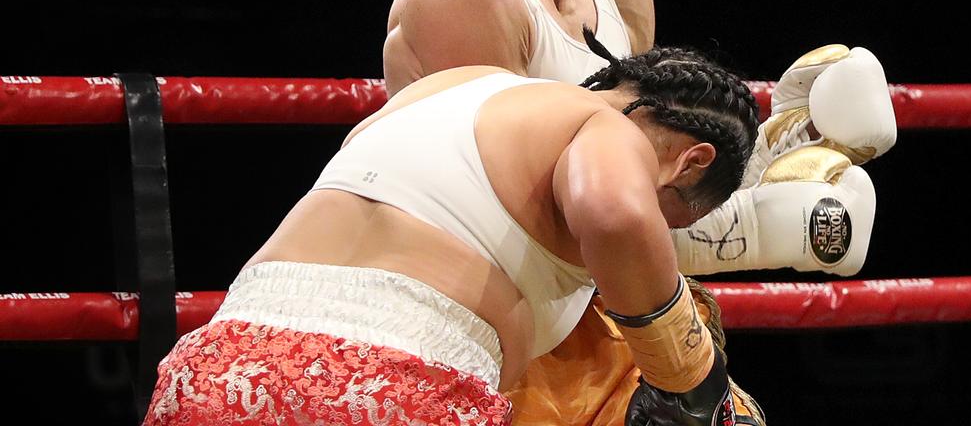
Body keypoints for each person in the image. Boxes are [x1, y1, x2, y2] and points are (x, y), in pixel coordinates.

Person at [385, 0, 897, 426]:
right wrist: (755, 229)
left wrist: (739, 165)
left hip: (585, 315)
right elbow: (516, 220)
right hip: (478, 321)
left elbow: (636, 175)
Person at [141, 37, 761, 426]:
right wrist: (689, 377)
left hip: (219, 366)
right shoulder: (605, 130)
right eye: (671, 216)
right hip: (389, 384)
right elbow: (616, 215)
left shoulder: (456, 84)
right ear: (692, 161)